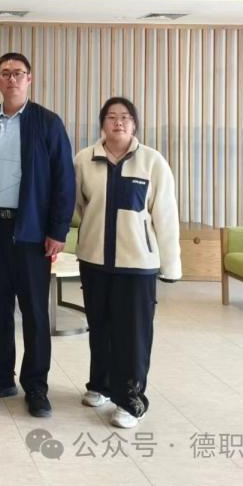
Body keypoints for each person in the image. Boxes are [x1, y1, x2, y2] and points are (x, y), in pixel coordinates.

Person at [0, 52, 75, 418]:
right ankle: (0, 378)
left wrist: (57, 230)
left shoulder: (48, 123)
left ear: (29, 79)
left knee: (34, 313)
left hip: (32, 232)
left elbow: (64, 180)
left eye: (18, 73)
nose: (11, 79)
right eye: (5, 73)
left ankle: (36, 386)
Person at [73, 96, 180, 428]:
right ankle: (101, 385)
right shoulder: (84, 160)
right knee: (100, 327)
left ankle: (131, 400)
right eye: (111, 117)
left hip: (137, 265)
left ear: (134, 124)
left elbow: (165, 216)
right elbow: (78, 206)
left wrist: (171, 265)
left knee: (132, 334)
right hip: (94, 261)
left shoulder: (152, 162)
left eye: (125, 117)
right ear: (102, 124)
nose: (118, 122)